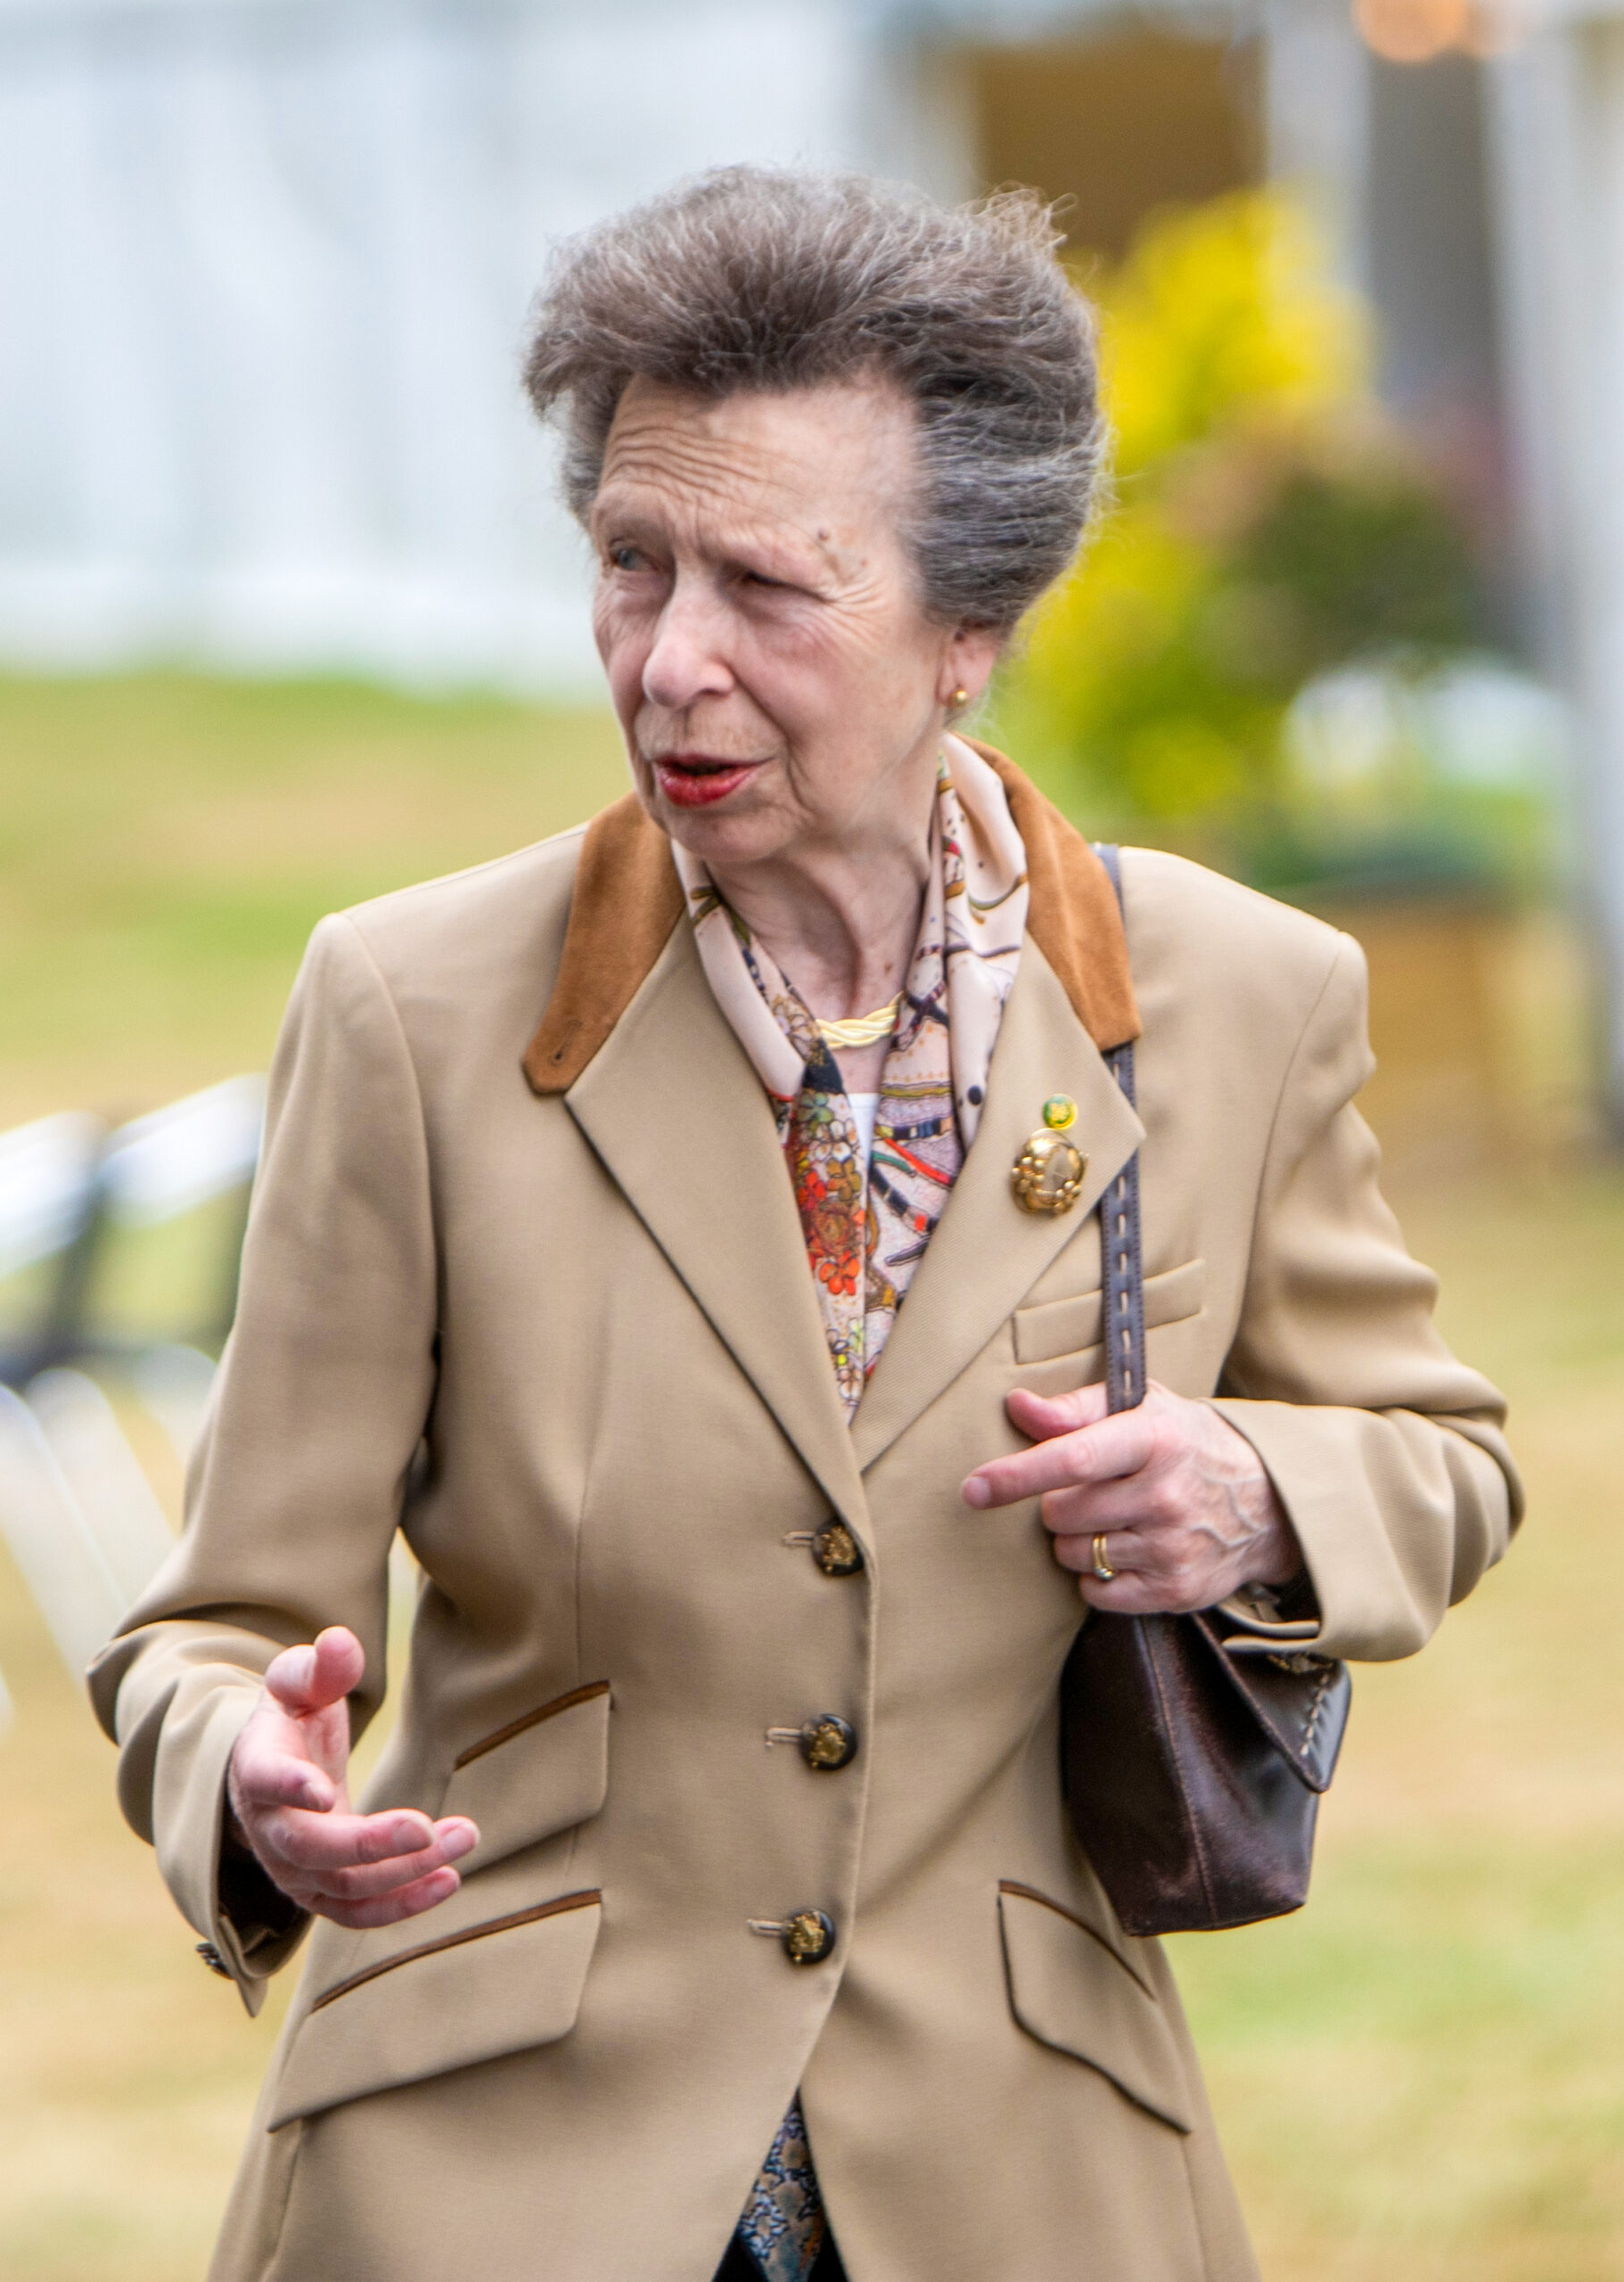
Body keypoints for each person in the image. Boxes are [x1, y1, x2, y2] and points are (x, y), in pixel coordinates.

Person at [91, 168, 1520, 2282]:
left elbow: (1444, 1456)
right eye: (630, 561)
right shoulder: (409, 1007)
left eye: (766, 585)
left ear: (970, 630)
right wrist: (246, 1769)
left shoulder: (1242, 997)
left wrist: (1255, 1488)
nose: (671, 659)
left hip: (1021, 2166)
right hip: (492, 2166)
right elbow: (207, 1626)